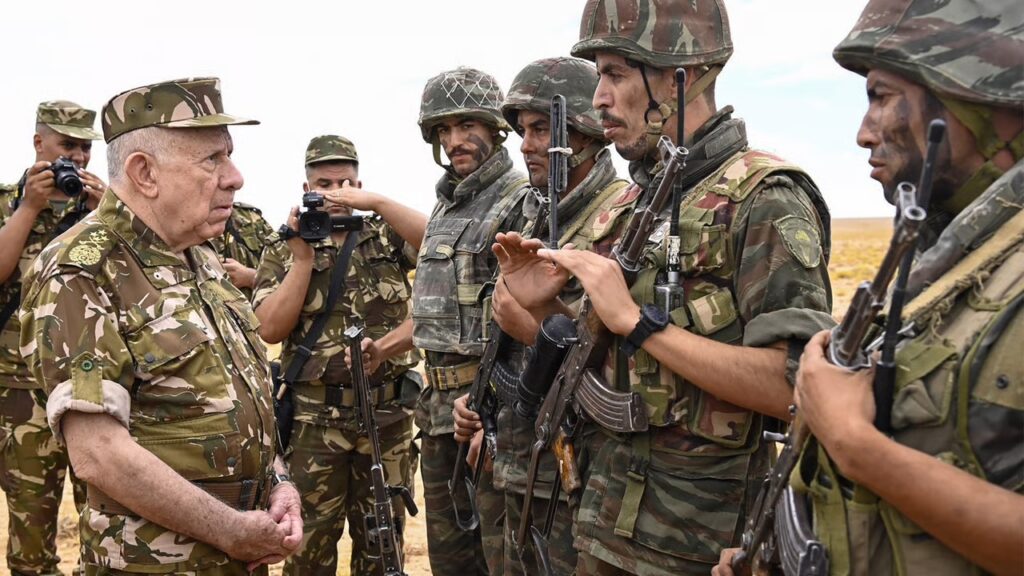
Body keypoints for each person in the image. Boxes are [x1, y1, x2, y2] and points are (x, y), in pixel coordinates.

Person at [494, 1, 834, 574]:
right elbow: (604, 361)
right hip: (602, 520)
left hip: (694, 543)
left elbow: (798, 386)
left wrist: (639, 323)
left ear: (684, 75)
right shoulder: (632, 205)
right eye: (599, 75)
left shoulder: (765, 200)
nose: (599, 97)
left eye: (615, 74)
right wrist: (545, 307)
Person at [714, 1, 1024, 575]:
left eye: (881, 96)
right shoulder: (953, 258)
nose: (863, 133)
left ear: (973, 92)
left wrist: (854, 443)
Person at [18, 77, 302, 575]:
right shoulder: (82, 269)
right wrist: (230, 531)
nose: (235, 177)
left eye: (229, 156)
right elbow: (98, 453)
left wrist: (279, 482)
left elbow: (233, 400)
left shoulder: (201, 257)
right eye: (212, 160)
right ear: (144, 172)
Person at [451, 56, 635, 576]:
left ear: (583, 134)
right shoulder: (534, 214)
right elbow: (504, 343)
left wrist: (534, 328)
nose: (526, 145)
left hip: (574, 472)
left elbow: (625, 362)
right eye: (522, 131)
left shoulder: (620, 218)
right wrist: (483, 408)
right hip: (513, 457)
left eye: (540, 130)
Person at [252, 134, 426, 576]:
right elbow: (269, 328)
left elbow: (439, 241)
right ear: (306, 188)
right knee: (307, 551)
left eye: (345, 184)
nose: (334, 194)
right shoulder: (284, 245)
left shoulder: (385, 235)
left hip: (386, 418)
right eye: (324, 184)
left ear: (359, 185)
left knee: (383, 547)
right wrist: (302, 260)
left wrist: (378, 203)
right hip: (314, 424)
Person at [411, 66, 531, 575]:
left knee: (500, 561)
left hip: (487, 417)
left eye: (466, 126)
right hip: (438, 415)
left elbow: (527, 326)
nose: (454, 140)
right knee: (451, 564)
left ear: (495, 128)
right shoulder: (446, 205)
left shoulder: (519, 199)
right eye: (443, 129)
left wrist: (497, 413)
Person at [0, 99, 105, 575]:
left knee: (102, 521)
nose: (77, 158)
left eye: (85, 148)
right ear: (38, 143)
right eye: (67, 146)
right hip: (21, 391)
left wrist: (106, 215)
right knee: (30, 530)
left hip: (90, 385)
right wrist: (29, 207)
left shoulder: (102, 208)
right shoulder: (7, 201)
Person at [210, 200, 274, 300]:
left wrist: (251, 277)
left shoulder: (250, 219)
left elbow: (289, 277)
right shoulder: (186, 227)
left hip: (258, 307)